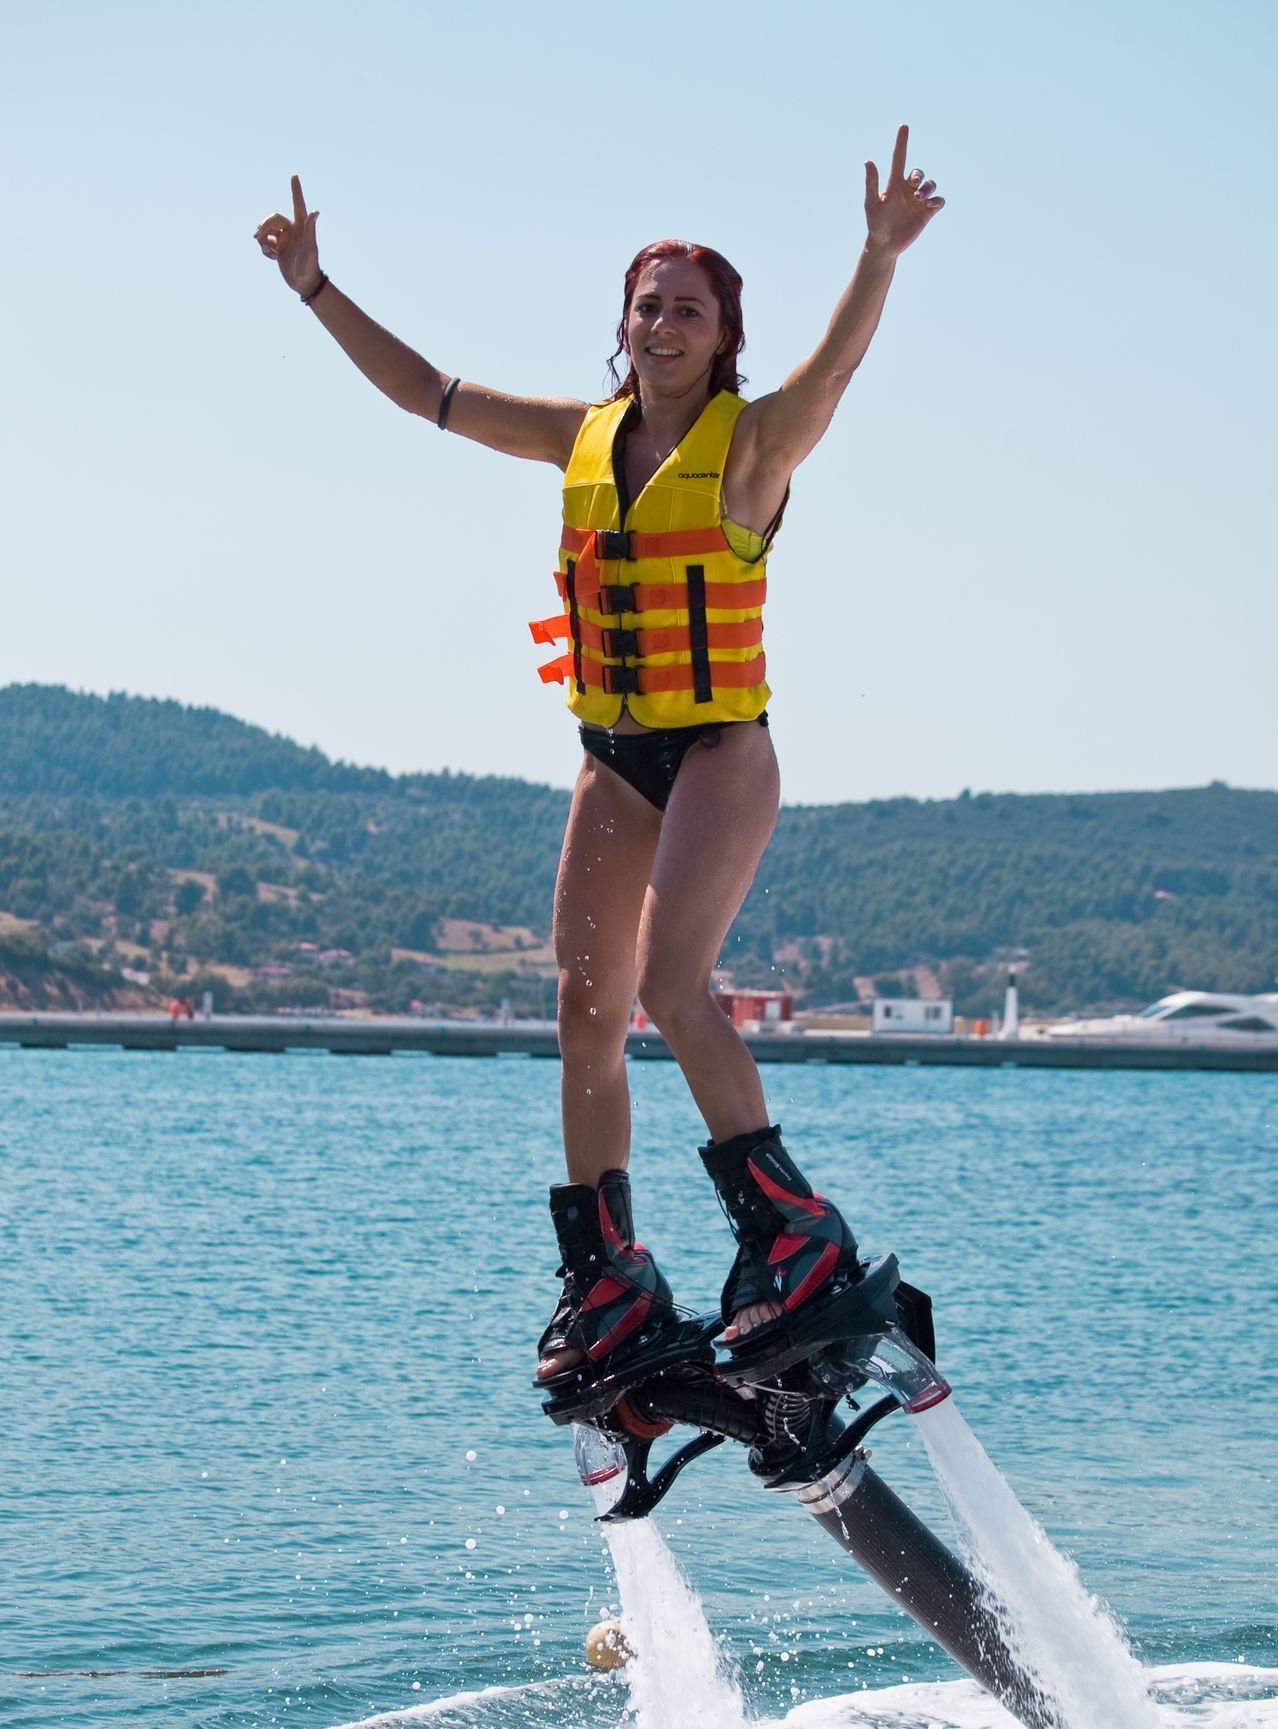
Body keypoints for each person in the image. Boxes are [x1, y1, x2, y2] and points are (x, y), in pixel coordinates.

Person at [255, 131, 944, 1416]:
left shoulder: (753, 446)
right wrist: (313, 286)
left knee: (675, 985)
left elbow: (838, 365)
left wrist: (876, 255)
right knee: (583, 1004)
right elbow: (428, 395)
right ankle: (611, 1271)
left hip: (720, 750)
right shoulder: (581, 435)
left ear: (721, 333)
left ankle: (793, 1234)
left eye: (688, 308)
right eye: (647, 305)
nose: (664, 323)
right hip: (613, 755)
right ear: (621, 326)